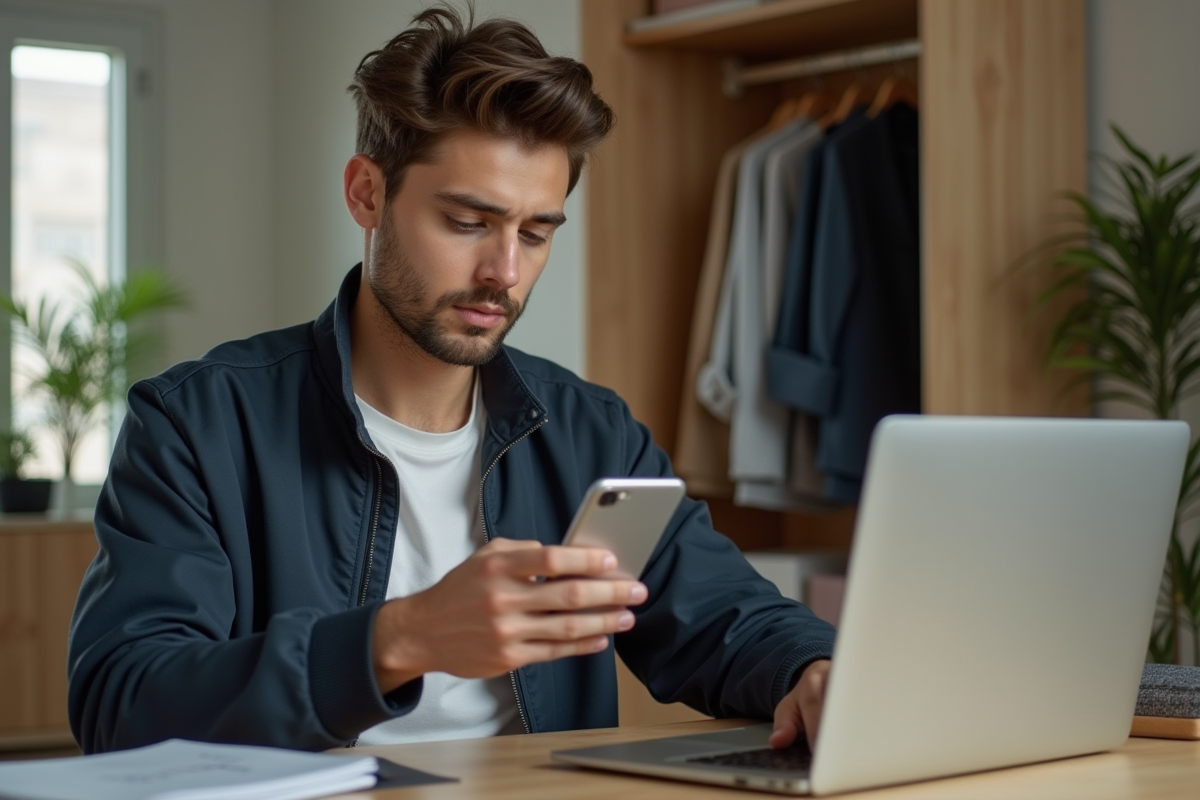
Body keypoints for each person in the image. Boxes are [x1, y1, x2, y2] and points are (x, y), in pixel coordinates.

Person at [67, 4, 835, 755]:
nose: (504, 272)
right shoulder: (197, 424)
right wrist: (399, 639)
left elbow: (724, 617)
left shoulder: (591, 431)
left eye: (536, 233)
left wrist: (813, 669)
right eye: (468, 223)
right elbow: (124, 700)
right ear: (368, 193)